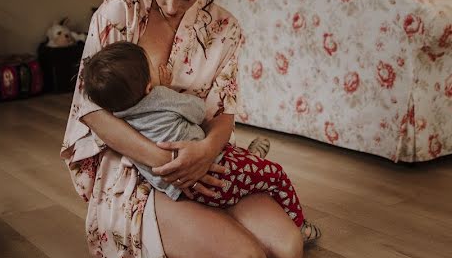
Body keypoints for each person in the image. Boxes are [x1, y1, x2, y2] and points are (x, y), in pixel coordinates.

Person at [61, 0, 304, 258]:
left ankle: (202, 233)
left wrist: (206, 151)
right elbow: (90, 110)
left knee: (288, 252)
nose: (173, 7)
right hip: (137, 168)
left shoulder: (225, 28)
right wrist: (167, 164)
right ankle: (157, 254)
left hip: (206, 160)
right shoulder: (119, 10)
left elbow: (225, 109)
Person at [79, 41, 320, 241]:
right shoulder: (159, 95)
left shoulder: (118, 118)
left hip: (186, 191)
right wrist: (166, 89)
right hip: (217, 168)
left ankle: (250, 158)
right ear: (148, 84)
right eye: (150, 66)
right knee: (274, 175)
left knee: (240, 170)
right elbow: (197, 111)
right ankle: (299, 224)